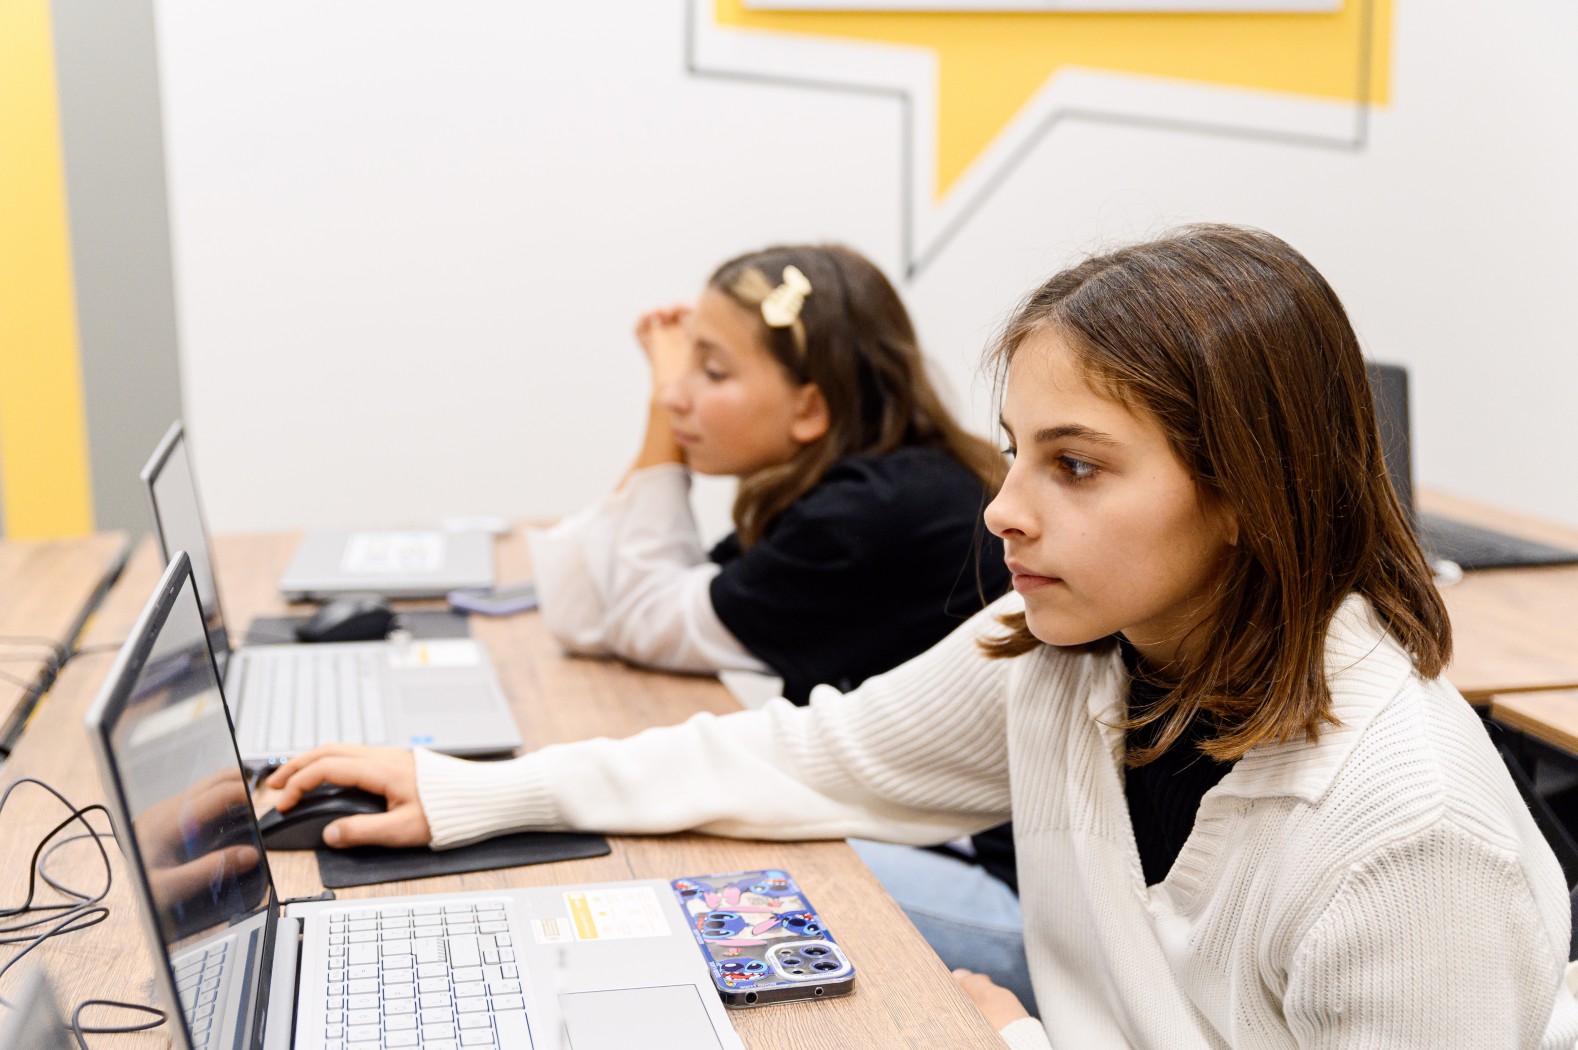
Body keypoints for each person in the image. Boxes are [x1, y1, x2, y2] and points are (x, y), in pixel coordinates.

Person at [269, 225, 1578, 1048]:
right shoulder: (1063, 652)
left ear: (1245, 492)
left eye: (1075, 465)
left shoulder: (1409, 838)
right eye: (1017, 452)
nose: (1004, 509)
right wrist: (474, 791)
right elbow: (806, 757)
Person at [530, 243, 1008, 705]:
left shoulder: (864, 515)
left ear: (810, 408)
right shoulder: (849, 489)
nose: (675, 394)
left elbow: (643, 620)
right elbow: (586, 618)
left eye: (712, 370)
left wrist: (662, 417)